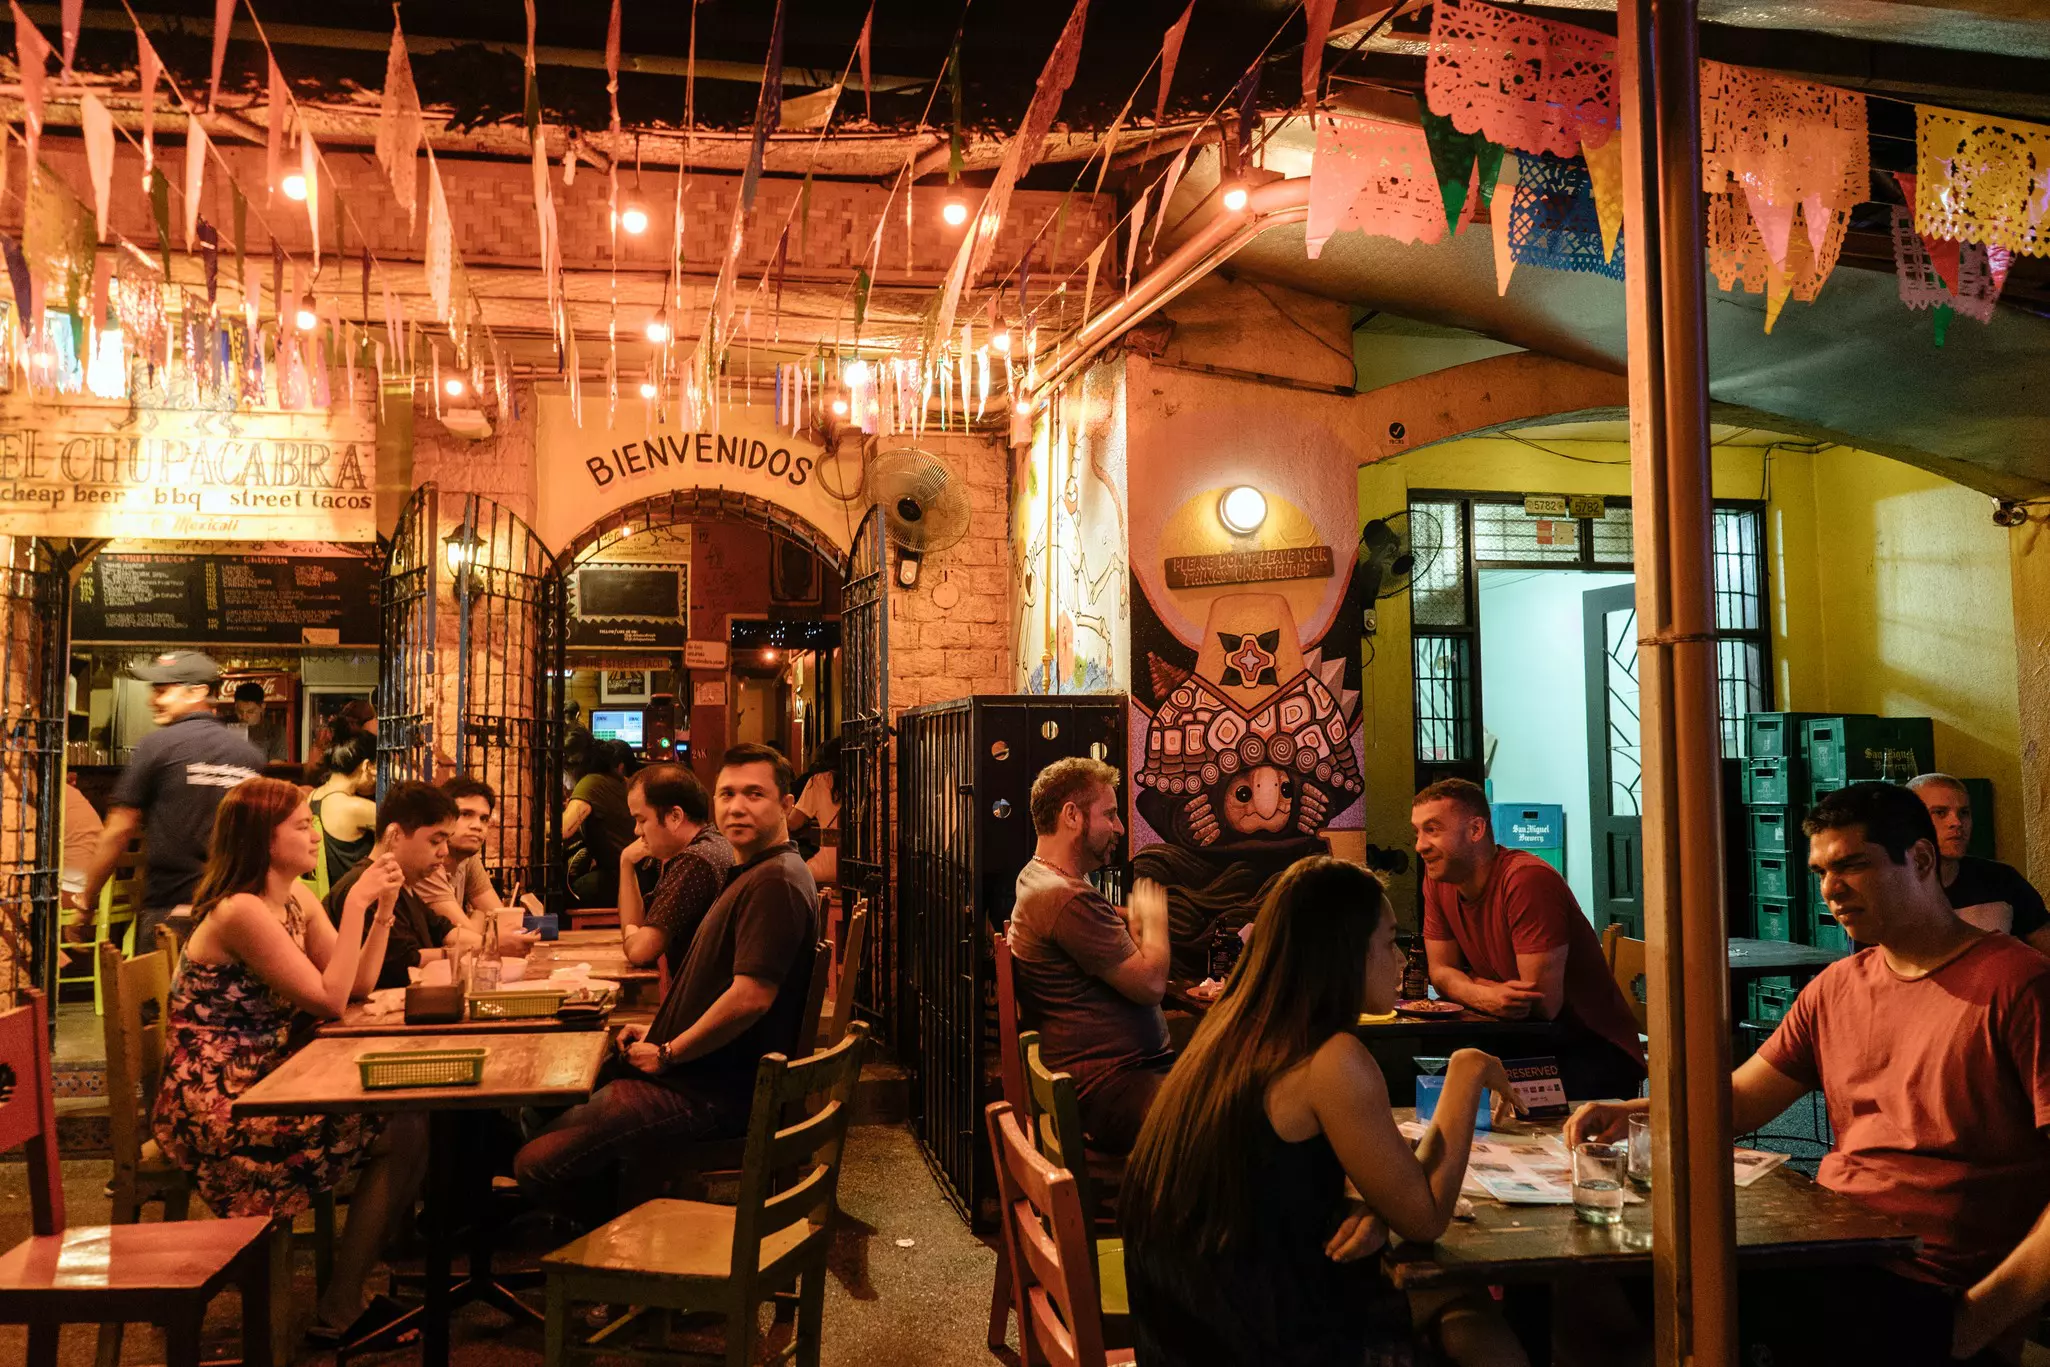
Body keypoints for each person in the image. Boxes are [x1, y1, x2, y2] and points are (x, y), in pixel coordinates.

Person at [1568, 783, 2050, 1365]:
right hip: (1828, 1246)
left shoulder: (2019, 985)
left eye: (1852, 866)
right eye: (1821, 871)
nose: (1831, 890)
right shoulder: (1837, 987)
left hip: (1929, 1278)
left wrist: (1976, 1321)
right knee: (1594, 1282)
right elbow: (1741, 1099)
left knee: (1682, 1299)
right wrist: (1632, 1114)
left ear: (1921, 860)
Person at [1123, 856, 1527, 1367]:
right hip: (1257, 1338)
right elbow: (1425, 1218)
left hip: (1186, 1325)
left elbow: (1339, 1186)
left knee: (1456, 1312)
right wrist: (1466, 1072)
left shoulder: (1233, 1029)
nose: (1402, 960)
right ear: (1345, 952)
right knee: (1470, 1320)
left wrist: (1379, 1209)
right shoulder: (1333, 1060)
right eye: (1388, 941)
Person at [149, 777, 426, 1338]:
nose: (316, 834)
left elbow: (355, 987)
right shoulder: (241, 912)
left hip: (273, 1078)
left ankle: (347, 1292)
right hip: (222, 1104)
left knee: (411, 1120)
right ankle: (342, 1303)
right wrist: (355, 906)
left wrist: (382, 912)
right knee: (405, 1127)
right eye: (302, 825)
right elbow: (327, 998)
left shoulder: (295, 898)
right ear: (262, 839)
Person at [515, 743, 818, 1218]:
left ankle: (636, 1250)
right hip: (698, 1073)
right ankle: (640, 1217)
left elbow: (751, 998)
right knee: (544, 1112)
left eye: (754, 794)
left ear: (785, 805)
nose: (737, 806)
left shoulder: (774, 882)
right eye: (727, 794)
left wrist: (669, 1051)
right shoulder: (753, 870)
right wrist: (661, 1032)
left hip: (713, 1091)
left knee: (536, 1162)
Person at [1412, 778, 1646, 1101]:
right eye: (1418, 832)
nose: (1420, 845)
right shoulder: (1438, 879)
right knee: (1430, 1079)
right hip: (1520, 1038)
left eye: (1433, 830)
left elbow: (1542, 1004)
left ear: (1476, 830)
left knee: (1456, 1095)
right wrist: (1490, 994)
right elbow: (1439, 973)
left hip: (1589, 1051)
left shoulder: (1525, 880)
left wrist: (1466, 982)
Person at [1007, 757, 1174, 1155]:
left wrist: (1128, 923)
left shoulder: (1040, 877)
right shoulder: (1065, 896)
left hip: (1113, 1076)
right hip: (1107, 1087)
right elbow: (1151, 985)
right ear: (1071, 816)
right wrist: (1156, 923)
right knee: (1232, 1114)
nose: (1118, 827)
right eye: (1110, 814)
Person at [72, 652, 264, 947]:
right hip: (239, 912)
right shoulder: (250, 757)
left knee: (158, 992)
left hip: (170, 913)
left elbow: (118, 830)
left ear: (197, 692)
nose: (152, 700)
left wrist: (87, 900)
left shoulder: (156, 747)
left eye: (162, 691)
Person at [324, 782, 466, 990]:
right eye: (436, 841)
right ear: (395, 835)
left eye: (446, 841)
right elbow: (401, 964)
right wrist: (458, 953)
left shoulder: (404, 886)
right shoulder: (364, 887)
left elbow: (444, 930)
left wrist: (492, 942)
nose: (444, 851)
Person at [1907, 772, 2050, 954]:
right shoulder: (1891, 889)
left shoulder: (2001, 880)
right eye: (1940, 813)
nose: (1957, 822)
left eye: (1964, 813)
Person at [617, 763, 735, 968]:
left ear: (675, 817)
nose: (637, 831)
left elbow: (640, 951)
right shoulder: (710, 843)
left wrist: (631, 933)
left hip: (705, 998)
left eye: (642, 820)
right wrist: (626, 862)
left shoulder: (696, 860)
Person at [415, 775, 508, 925]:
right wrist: (478, 917)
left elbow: (503, 921)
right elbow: (464, 935)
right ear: (443, 817)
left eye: (484, 819)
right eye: (465, 814)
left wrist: (477, 918)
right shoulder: (429, 863)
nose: (477, 826)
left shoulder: (468, 860)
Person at [564, 739, 635, 906]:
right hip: (637, 875)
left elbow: (564, 829)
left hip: (617, 877)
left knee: (568, 894)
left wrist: (530, 827)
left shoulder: (591, 782)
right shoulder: (622, 783)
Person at [306, 734, 378, 885]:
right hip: (354, 898)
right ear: (368, 766)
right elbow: (410, 828)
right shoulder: (356, 808)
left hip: (328, 896)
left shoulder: (313, 796)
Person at [790, 737, 842, 886]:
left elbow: (793, 823)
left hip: (825, 868)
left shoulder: (819, 782)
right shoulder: (862, 779)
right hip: (856, 869)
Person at [231, 681, 288, 763]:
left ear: (262, 707)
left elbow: (276, 766)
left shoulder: (276, 731)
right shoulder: (226, 726)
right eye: (239, 712)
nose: (244, 717)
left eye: (250, 712)